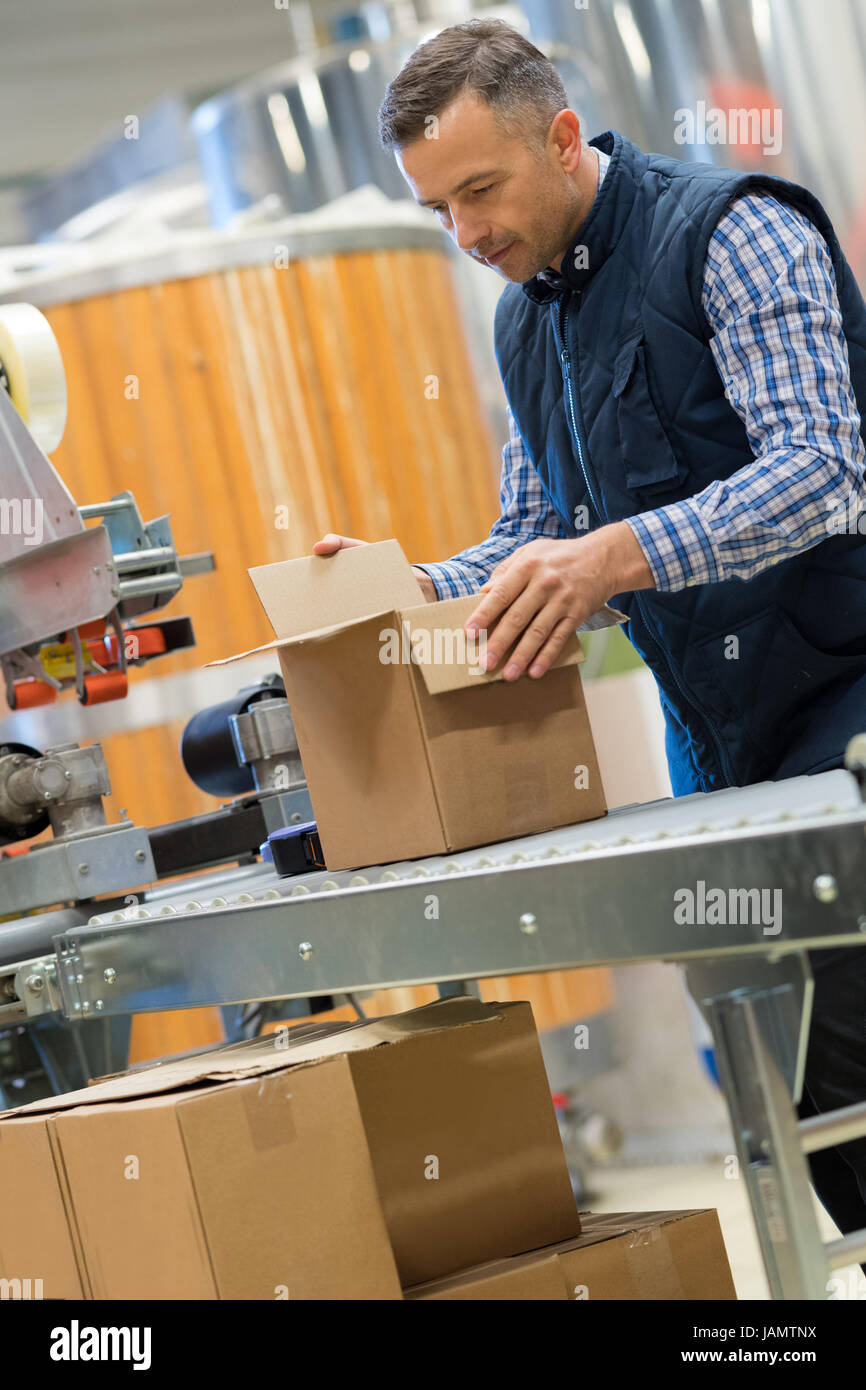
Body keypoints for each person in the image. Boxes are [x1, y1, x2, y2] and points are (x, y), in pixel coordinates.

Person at [314, 18, 866, 1262]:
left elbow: (824, 472)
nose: (465, 236)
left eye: (478, 191)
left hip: (847, 694)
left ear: (562, 139)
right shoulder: (527, 321)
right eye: (435, 211)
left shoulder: (732, 234)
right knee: (786, 1067)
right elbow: (531, 536)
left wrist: (615, 556)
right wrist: (393, 585)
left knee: (846, 1027)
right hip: (719, 743)